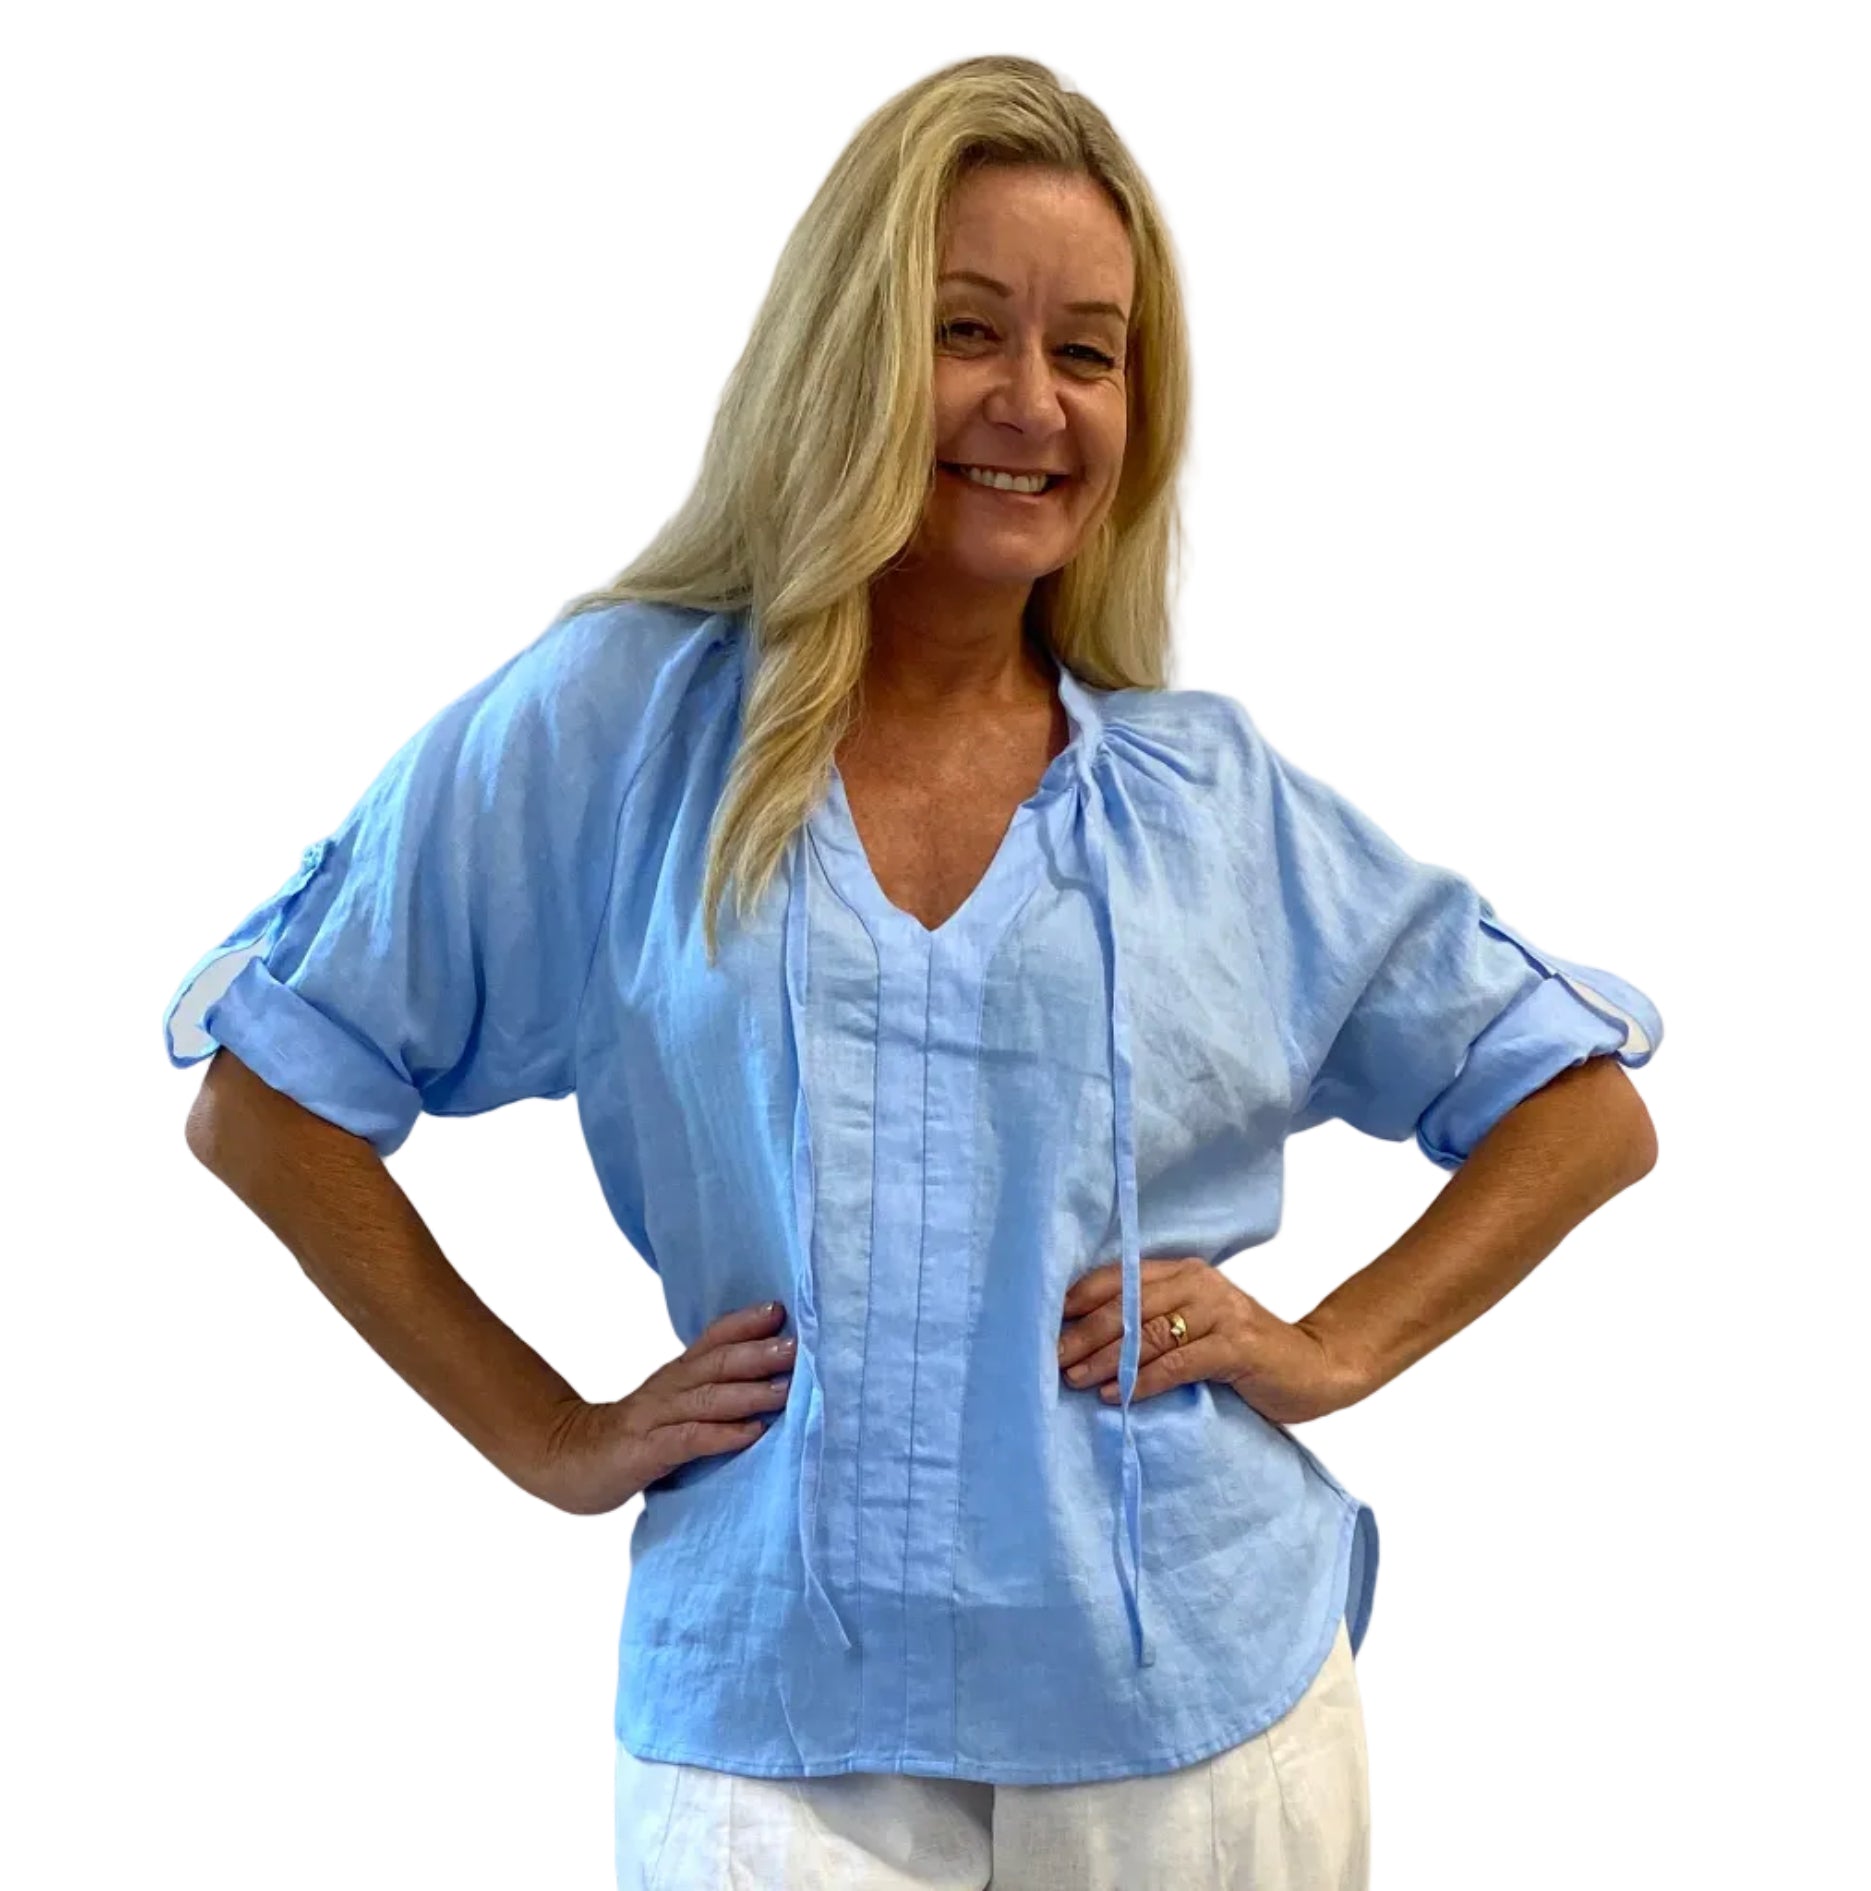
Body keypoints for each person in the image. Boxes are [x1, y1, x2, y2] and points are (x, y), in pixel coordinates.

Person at [162, 52, 1663, 1891]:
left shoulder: (1204, 800)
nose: (1031, 401)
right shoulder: (623, 732)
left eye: (1089, 351)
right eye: (967, 330)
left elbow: (1577, 1106)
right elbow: (271, 1097)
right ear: (849, 352)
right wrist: (548, 1434)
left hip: (1196, 1712)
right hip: (770, 1720)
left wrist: (1336, 1345)